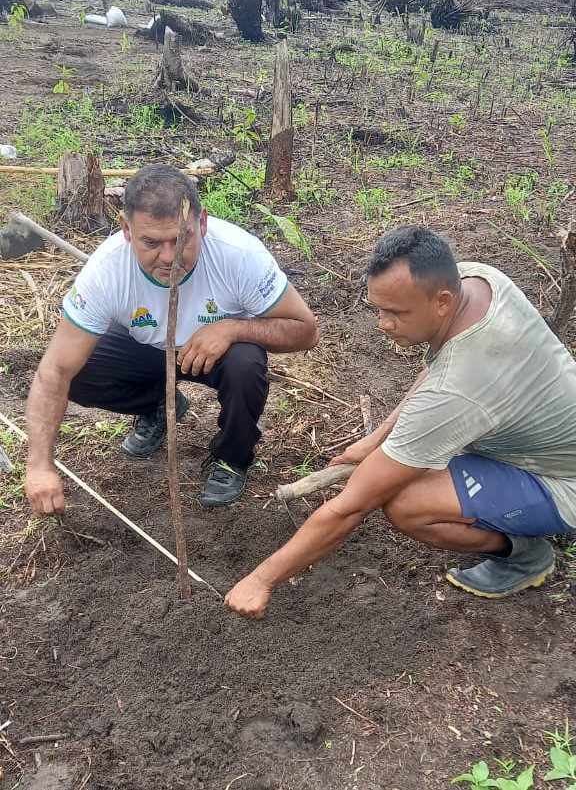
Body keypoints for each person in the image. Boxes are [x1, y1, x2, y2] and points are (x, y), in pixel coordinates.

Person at [224, 225, 576, 617]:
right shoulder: (479, 281)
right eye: (379, 309)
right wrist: (376, 440)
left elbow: (352, 507)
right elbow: (442, 369)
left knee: (406, 503)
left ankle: (526, 555)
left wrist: (262, 580)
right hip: (533, 437)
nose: (383, 324)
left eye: (396, 313)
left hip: (561, 480)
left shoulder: (459, 389)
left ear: (442, 301)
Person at [25, 164, 318, 513]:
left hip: (218, 355)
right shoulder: (106, 271)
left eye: (181, 239)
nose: (168, 257)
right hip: (145, 349)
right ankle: (158, 406)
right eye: (151, 242)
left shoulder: (239, 254)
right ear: (126, 229)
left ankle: (231, 458)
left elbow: (306, 330)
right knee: (80, 370)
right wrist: (39, 466)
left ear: (202, 223)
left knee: (246, 365)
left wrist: (233, 329)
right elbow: (54, 371)